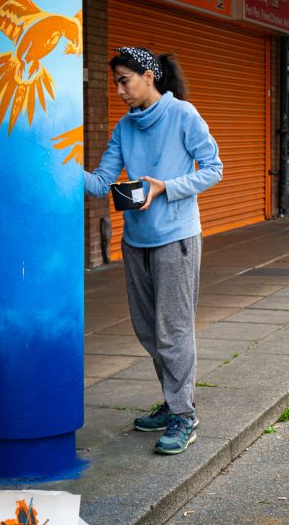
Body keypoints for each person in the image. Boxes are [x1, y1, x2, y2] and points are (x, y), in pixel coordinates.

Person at [84, 46, 223, 454]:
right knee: (148, 330)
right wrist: (54, 166)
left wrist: (166, 187)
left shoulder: (183, 115)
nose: (120, 91)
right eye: (115, 84)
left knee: (173, 331)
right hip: (136, 241)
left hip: (176, 238)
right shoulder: (124, 128)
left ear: (149, 76)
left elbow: (214, 168)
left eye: (124, 81)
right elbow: (99, 183)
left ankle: (184, 415)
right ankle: (172, 401)